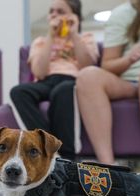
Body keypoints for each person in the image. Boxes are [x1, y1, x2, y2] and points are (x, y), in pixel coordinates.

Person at [76, 0, 140, 177]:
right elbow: (108, 65)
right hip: (131, 82)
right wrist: (130, 58)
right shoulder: (123, 14)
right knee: (87, 76)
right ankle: (110, 169)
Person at [10, 0, 98, 160]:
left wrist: (73, 33)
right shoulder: (40, 42)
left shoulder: (85, 38)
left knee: (63, 90)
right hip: (46, 81)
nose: (54, 15)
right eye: (51, 11)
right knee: (18, 92)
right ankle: (48, 147)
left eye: (60, 11)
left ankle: (68, 155)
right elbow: (40, 72)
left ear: (74, 15)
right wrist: (50, 36)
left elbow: (87, 66)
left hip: (73, 81)